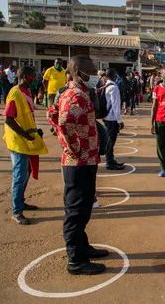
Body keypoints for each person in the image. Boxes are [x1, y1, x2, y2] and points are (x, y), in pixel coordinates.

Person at [56, 55, 107, 275]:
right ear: (79, 71)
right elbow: (63, 124)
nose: (95, 74)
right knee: (76, 211)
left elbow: (52, 113)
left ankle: (83, 247)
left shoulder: (80, 93)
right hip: (78, 162)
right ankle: (75, 260)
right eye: (92, 70)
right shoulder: (75, 96)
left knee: (84, 207)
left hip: (86, 160)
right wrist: (75, 149)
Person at [3, 66, 48, 225]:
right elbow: (9, 119)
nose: (34, 79)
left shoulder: (27, 92)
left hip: (27, 139)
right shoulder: (15, 93)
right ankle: (16, 211)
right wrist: (25, 134)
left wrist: (35, 131)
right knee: (20, 175)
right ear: (25, 77)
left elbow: (26, 117)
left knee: (27, 171)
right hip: (17, 141)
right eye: (32, 77)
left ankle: (21, 201)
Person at [103, 69, 125, 171]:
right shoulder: (114, 88)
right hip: (112, 118)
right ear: (114, 75)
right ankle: (109, 162)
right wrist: (119, 120)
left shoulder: (105, 85)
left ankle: (110, 160)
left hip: (106, 116)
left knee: (109, 140)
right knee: (111, 141)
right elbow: (116, 105)